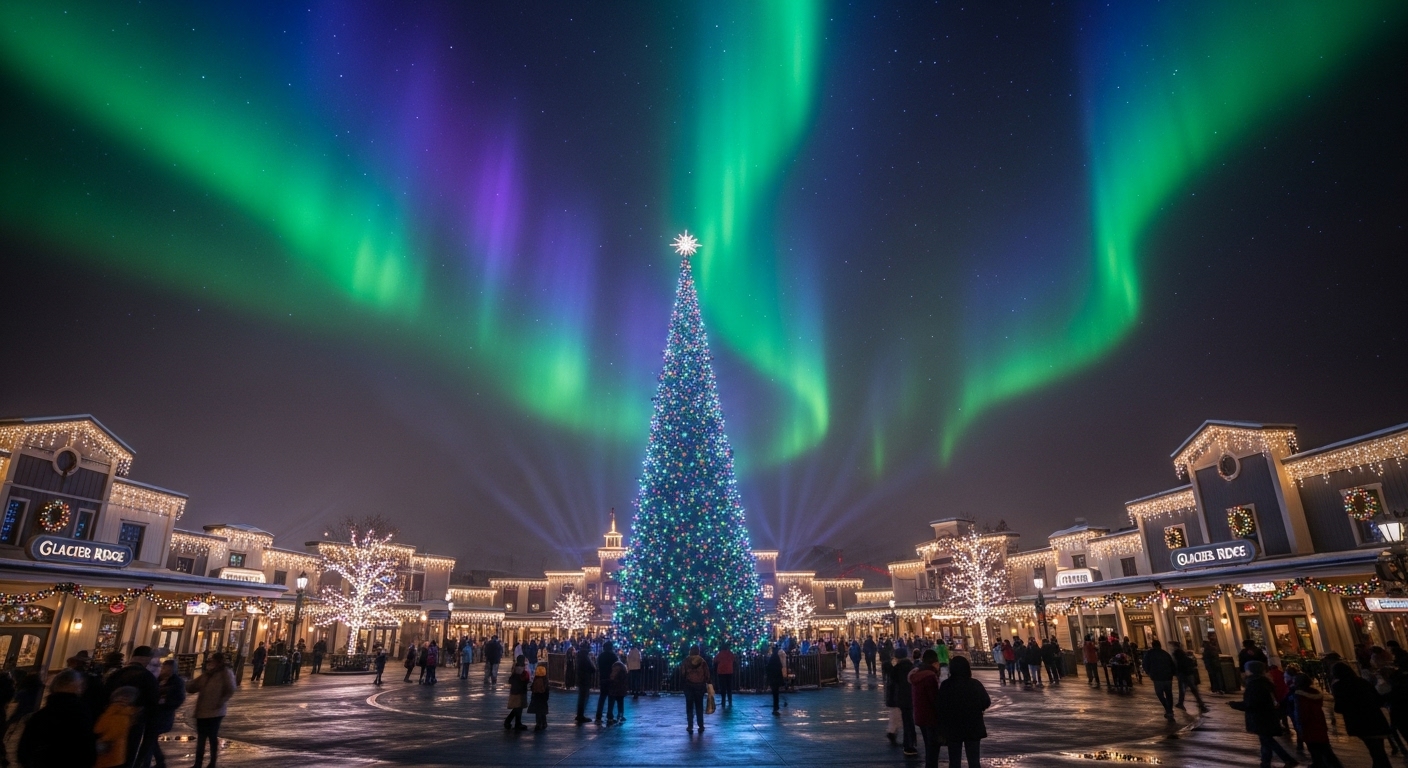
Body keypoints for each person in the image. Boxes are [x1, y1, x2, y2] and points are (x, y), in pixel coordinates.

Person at [16, 669, 96, 768]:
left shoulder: (40, 715)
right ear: (78, 688)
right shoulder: (81, 714)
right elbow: (87, 752)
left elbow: (23, 752)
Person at [1230, 660, 1299, 768]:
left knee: (1268, 740)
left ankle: (1288, 759)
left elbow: (1252, 704)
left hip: (1260, 718)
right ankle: (1265, 762)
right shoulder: (1263, 682)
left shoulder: (1254, 684)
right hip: (1266, 716)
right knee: (1265, 740)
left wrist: (1235, 705)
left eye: (1247, 669)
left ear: (1251, 671)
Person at [105, 644, 159, 768]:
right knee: (128, 758)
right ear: (147, 659)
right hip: (134, 725)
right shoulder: (148, 678)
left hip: (111, 723)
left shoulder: (115, 675)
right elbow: (152, 709)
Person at [1331, 661, 1391, 768]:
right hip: (1375, 719)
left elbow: (1339, 707)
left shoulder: (1339, 687)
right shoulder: (1362, 682)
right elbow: (1378, 700)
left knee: (1375, 752)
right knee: (1378, 751)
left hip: (1359, 722)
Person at [936, 656, 990, 768]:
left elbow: (940, 706)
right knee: (974, 761)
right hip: (973, 725)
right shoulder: (975, 684)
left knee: (954, 761)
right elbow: (986, 701)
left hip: (953, 727)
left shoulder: (946, 685)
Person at [187, 653, 236, 768]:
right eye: (209, 661)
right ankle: (198, 763)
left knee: (212, 737)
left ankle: (212, 762)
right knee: (201, 738)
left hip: (216, 711)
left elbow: (231, 689)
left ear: (218, 662)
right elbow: (194, 685)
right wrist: (186, 685)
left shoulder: (225, 673)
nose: (209, 663)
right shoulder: (207, 674)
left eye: (212, 661)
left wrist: (221, 701)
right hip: (202, 710)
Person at [1290, 673, 1341, 768]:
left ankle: (1318, 763)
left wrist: (1299, 725)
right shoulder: (1315, 693)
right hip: (1319, 720)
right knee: (1324, 746)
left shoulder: (1299, 695)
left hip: (1308, 724)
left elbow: (1301, 712)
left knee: (1313, 746)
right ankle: (1331, 764)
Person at [910, 648, 942, 768]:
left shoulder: (917, 675)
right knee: (933, 747)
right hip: (930, 716)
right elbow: (934, 698)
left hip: (920, 714)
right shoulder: (929, 677)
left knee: (929, 745)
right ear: (934, 662)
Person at [94, 686, 139, 768]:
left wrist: (101, 740)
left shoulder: (120, 714)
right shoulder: (118, 712)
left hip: (109, 754)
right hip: (114, 755)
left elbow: (101, 730)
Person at [152, 659, 185, 768]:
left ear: (172, 669)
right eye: (163, 667)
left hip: (164, 715)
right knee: (150, 739)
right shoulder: (158, 679)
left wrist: (166, 703)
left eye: (165, 667)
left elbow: (179, 698)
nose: (163, 669)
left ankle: (159, 761)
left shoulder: (177, 682)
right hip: (155, 714)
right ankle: (159, 760)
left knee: (151, 739)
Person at [891, 648, 917, 757]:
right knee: (910, 720)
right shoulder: (912, 667)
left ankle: (908, 745)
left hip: (902, 697)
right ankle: (912, 741)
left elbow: (893, 683)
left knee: (907, 721)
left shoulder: (896, 668)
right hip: (912, 696)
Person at [1142, 639, 1177, 722]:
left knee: (1159, 693)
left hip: (1157, 677)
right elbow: (1172, 664)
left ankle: (1168, 709)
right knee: (1169, 693)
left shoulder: (1150, 654)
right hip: (1167, 676)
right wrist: (1173, 673)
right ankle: (1170, 710)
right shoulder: (1165, 653)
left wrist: (1149, 672)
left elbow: (1145, 664)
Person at [1171, 641, 1207, 713]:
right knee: (1190, 689)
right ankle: (1199, 704)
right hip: (1188, 673)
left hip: (1183, 673)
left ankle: (1200, 705)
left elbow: (1176, 664)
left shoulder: (1177, 653)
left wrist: (1175, 672)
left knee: (1185, 689)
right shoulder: (1183, 653)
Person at [682, 645, 710, 732]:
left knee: (689, 706)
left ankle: (690, 725)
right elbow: (707, 674)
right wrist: (708, 683)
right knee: (699, 706)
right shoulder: (702, 661)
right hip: (700, 685)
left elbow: (683, 672)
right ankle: (701, 725)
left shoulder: (686, 661)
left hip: (689, 685)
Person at [503, 655, 529, 731]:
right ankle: (509, 722)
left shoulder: (515, 669)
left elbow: (511, 680)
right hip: (519, 691)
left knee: (518, 708)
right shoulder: (521, 670)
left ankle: (517, 723)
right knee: (518, 708)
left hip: (515, 690)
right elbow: (524, 679)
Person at [594, 641, 618, 723]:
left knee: (602, 697)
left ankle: (598, 715)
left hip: (603, 678)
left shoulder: (601, 656)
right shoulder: (613, 656)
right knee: (611, 698)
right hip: (611, 678)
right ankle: (610, 715)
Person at [574, 642, 596, 724]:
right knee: (583, 698)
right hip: (585, 679)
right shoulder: (585, 657)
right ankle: (580, 715)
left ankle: (580, 714)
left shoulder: (580, 656)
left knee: (581, 697)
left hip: (581, 678)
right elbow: (592, 668)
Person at [528, 661, 551, 731]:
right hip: (543, 699)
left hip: (536, 699)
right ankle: (544, 723)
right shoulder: (545, 680)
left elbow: (532, 688)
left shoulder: (536, 679)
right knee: (543, 712)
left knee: (537, 713)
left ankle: (538, 724)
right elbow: (547, 691)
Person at [766, 645, 785, 717]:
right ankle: (776, 707)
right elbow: (780, 666)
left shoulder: (772, 658)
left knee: (775, 694)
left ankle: (775, 707)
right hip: (776, 678)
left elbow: (769, 668)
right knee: (776, 694)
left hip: (773, 678)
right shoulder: (776, 657)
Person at [714, 643, 735, 708]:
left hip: (721, 672)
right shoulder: (730, 654)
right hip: (729, 671)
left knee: (723, 688)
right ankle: (730, 701)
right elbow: (734, 660)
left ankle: (723, 701)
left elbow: (715, 661)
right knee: (729, 687)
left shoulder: (720, 654)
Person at [607, 658, 628, 724]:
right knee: (620, 702)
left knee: (611, 702)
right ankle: (620, 715)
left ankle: (610, 716)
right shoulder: (623, 668)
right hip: (620, 688)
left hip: (613, 688)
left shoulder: (612, 668)